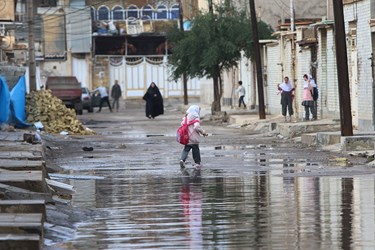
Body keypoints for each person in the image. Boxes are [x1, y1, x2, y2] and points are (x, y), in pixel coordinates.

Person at [179, 105, 208, 169]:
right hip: (194, 138)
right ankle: (197, 163)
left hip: (187, 137)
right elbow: (196, 127)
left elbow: (182, 124)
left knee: (186, 149)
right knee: (196, 150)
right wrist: (203, 132)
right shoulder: (196, 118)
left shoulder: (186, 118)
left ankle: (182, 160)